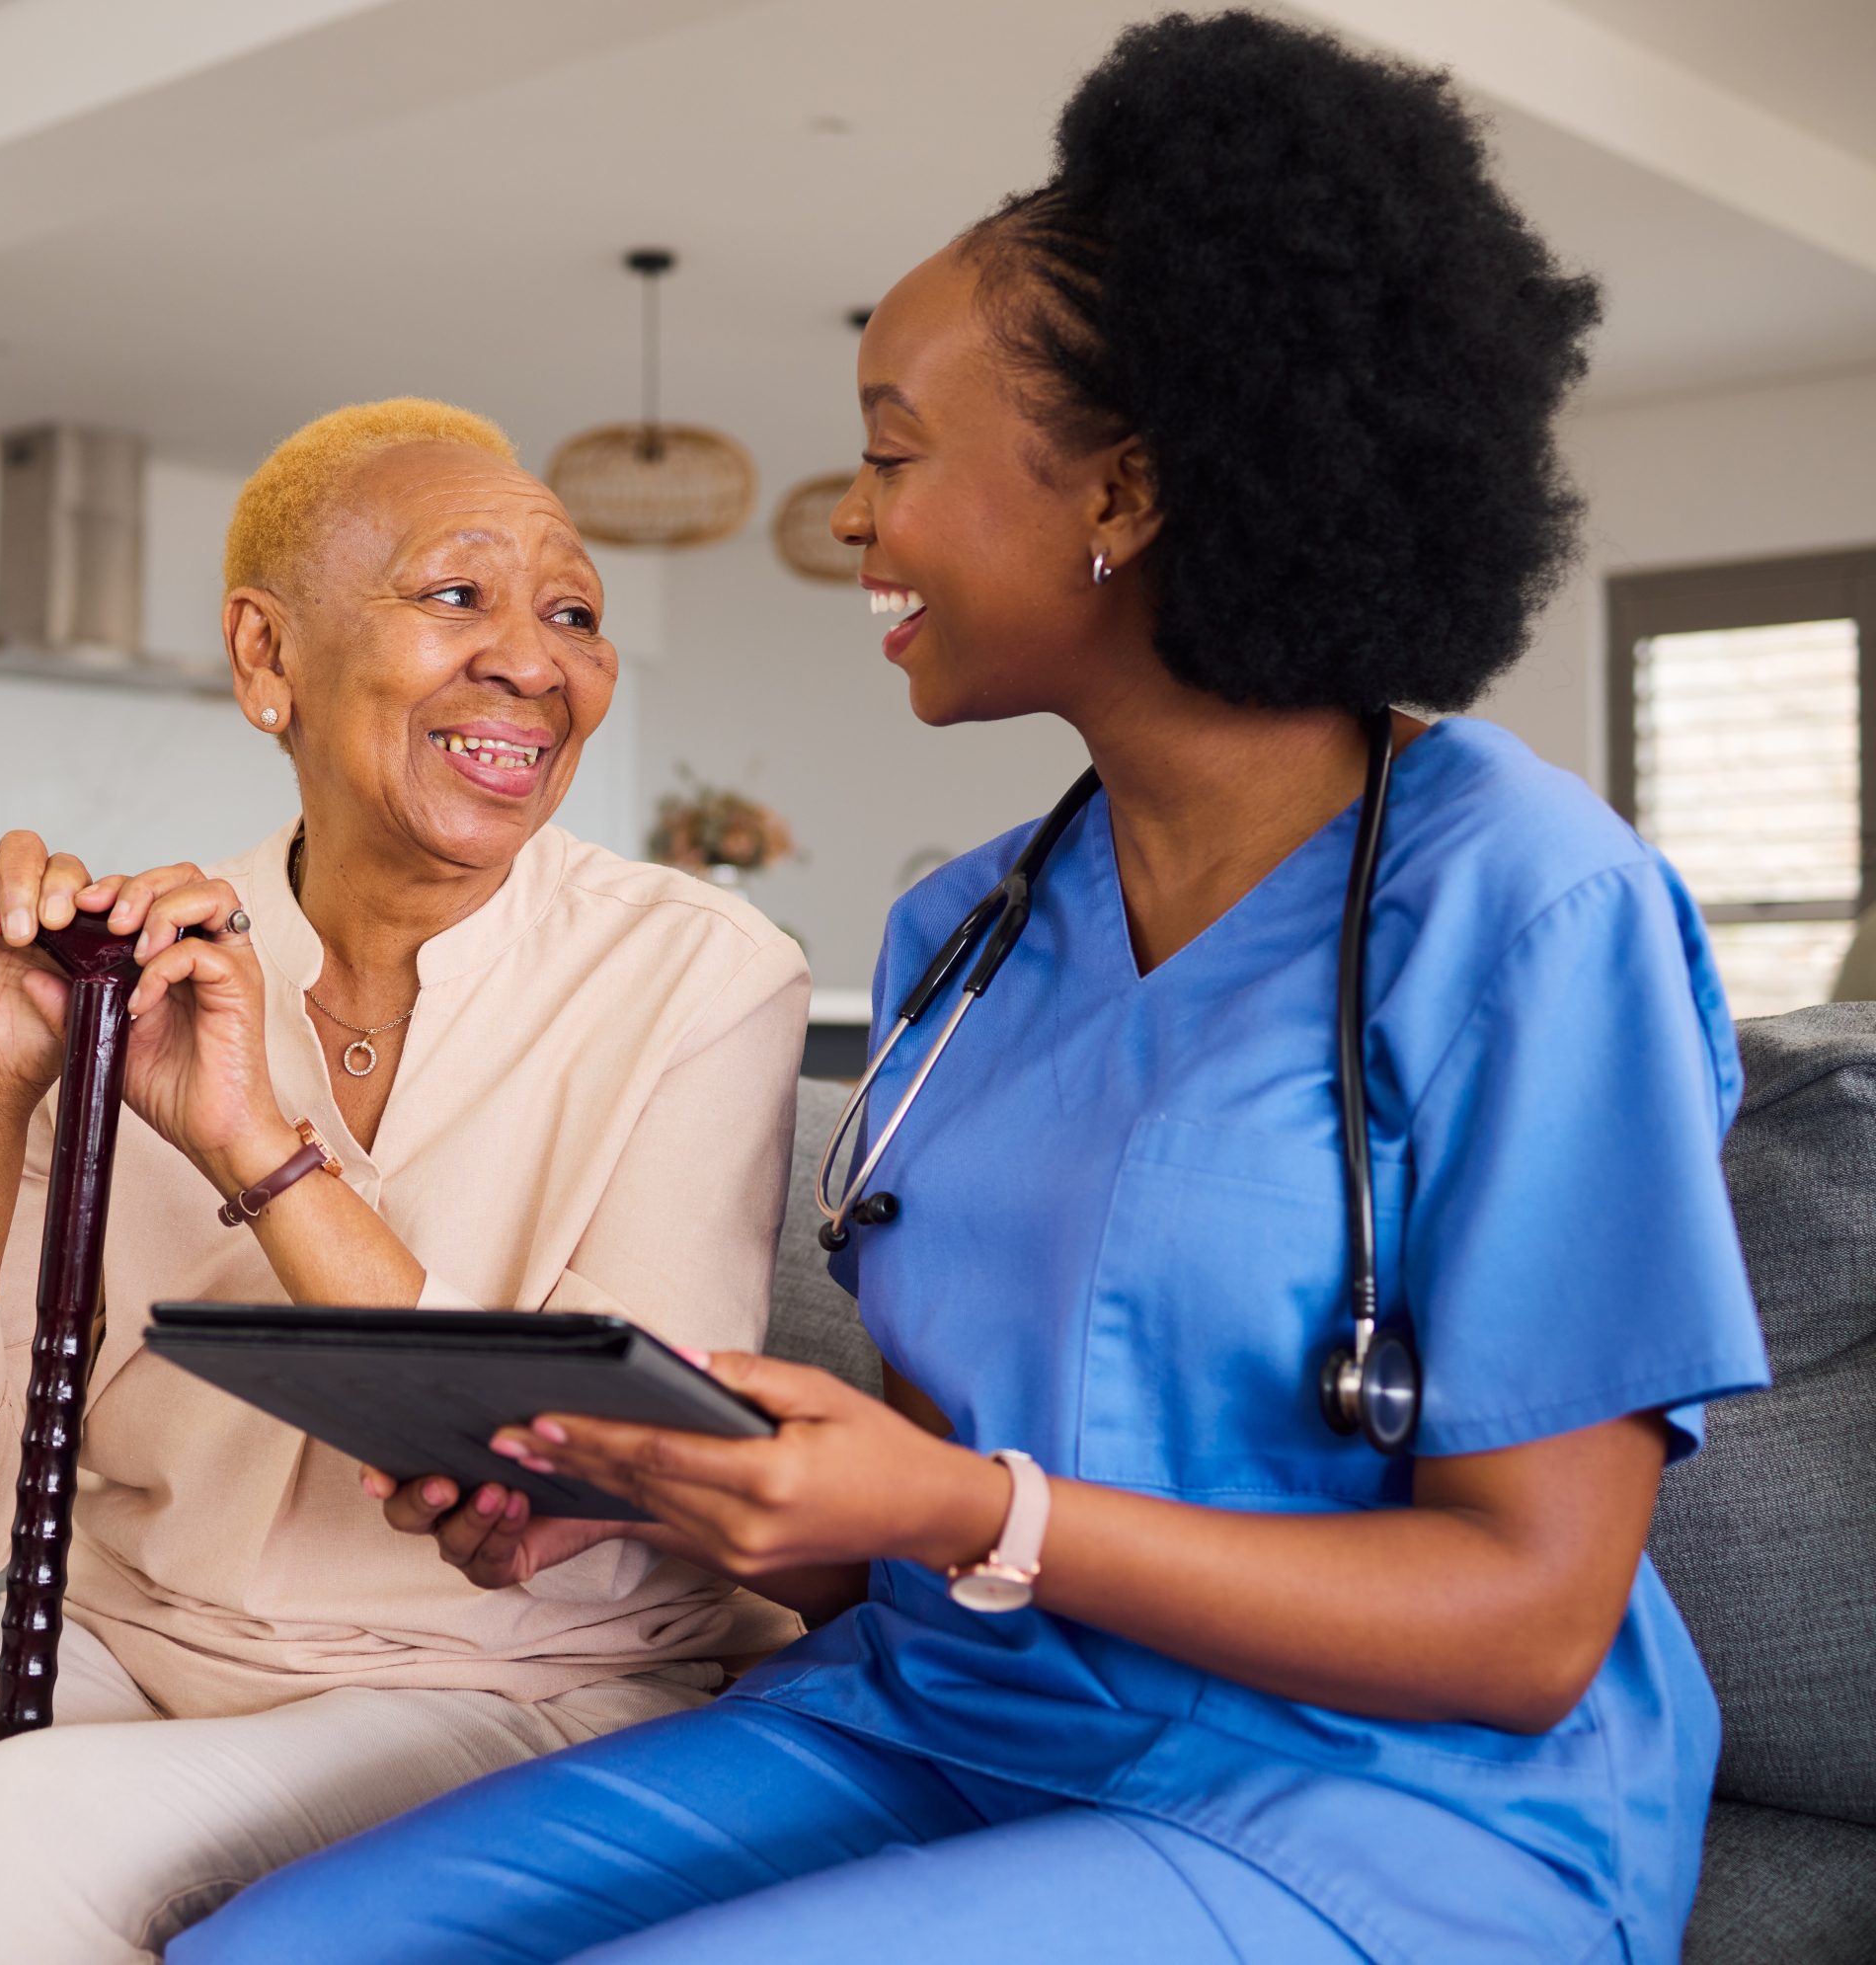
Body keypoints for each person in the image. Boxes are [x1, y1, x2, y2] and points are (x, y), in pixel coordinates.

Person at [173, 19, 1770, 1964]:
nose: (854, 518)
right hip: (947, 1718)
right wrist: (664, 1496)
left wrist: (963, 1508)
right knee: (270, 1948)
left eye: (891, 453)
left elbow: (1527, 1623)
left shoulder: (1525, 902)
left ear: (1124, 489)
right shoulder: (969, 931)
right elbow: (922, 1517)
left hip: (1391, 1797)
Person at [0, 399, 809, 1963]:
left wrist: (253, 1144)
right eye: (457, 593)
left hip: (516, 1680)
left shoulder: (703, 975)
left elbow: (600, 1480)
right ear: (267, 656)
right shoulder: (141, 959)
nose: (535, 663)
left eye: (575, 614)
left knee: (19, 1841)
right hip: (132, 1636)